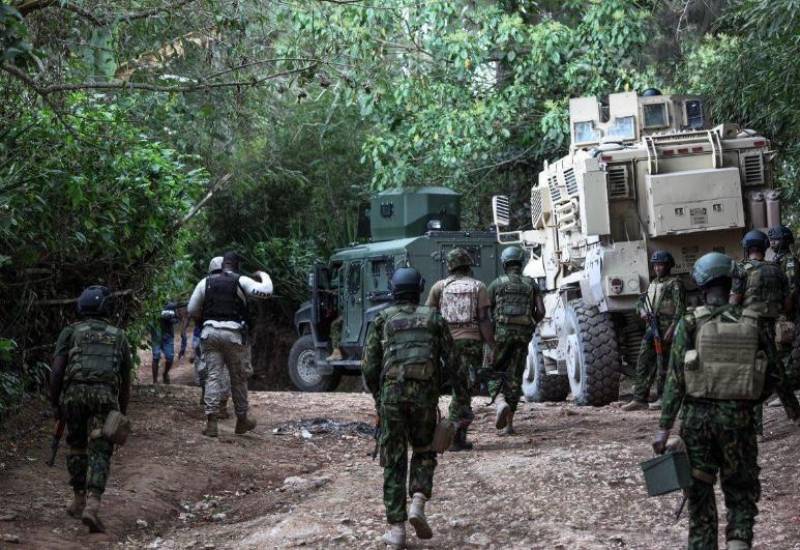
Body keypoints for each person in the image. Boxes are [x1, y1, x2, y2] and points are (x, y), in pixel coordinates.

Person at [653, 252, 800, 550]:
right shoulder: (753, 322)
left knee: (701, 499)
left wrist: (664, 429)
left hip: (698, 424)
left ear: (701, 284)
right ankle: (738, 544)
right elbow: (777, 373)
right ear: (733, 282)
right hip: (740, 422)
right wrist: (788, 409)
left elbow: (675, 381)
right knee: (741, 495)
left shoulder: (690, 323)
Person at [362, 267, 455, 548]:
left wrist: (380, 397)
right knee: (425, 451)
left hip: (392, 396)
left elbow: (369, 366)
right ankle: (417, 501)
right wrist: (452, 395)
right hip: (425, 396)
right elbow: (453, 362)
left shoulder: (382, 319)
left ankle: (397, 530)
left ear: (394, 290)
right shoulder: (434, 319)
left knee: (393, 461)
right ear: (419, 289)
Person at [49, 286, 133, 533]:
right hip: (105, 396)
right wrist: (121, 412)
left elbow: (57, 371)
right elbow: (125, 380)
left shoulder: (70, 332)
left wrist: (55, 403)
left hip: (74, 395)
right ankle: (93, 505)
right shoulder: (119, 335)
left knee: (76, 445)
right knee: (100, 447)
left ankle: (78, 498)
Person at [187, 251, 273, 437]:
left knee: (213, 376)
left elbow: (192, 308)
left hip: (209, 334)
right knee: (239, 377)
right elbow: (266, 291)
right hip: (233, 335)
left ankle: (211, 422)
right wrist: (262, 275)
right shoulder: (241, 280)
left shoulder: (205, 282)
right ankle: (242, 420)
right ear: (237, 265)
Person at [426, 248, 494, 451]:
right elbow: (483, 319)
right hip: (471, 343)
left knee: (459, 389)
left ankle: (455, 436)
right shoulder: (478, 286)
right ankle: (452, 435)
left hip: (446, 344)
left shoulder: (439, 286)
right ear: (468, 265)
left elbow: (429, 316)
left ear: (449, 266)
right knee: (463, 391)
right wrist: (491, 343)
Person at [730, 229, 795, 431]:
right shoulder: (776, 269)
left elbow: (734, 301)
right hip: (771, 327)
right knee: (778, 372)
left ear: (747, 248)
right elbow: (787, 303)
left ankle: (756, 429)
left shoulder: (741, 270)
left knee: (752, 373)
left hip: (749, 328)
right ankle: (796, 414)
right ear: (765, 247)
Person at [486, 246, 544, 434]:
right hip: (522, 335)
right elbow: (541, 311)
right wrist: (530, 323)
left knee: (493, 371)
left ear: (504, 263)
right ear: (522, 262)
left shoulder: (496, 284)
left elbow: (486, 312)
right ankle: (509, 425)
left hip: (501, 335)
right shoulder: (531, 284)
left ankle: (500, 401)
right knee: (515, 376)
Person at [623, 250, 686, 411]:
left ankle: (663, 397)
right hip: (651, 328)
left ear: (668, 266)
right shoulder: (653, 284)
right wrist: (642, 311)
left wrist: (672, 329)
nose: (658, 268)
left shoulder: (675, 283)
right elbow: (641, 302)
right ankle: (639, 398)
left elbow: (680, 309)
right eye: (656, 265)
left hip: (665, 330)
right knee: (643, 362)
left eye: (661, 264)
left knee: (663, 365)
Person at [150, 300, 187, 385]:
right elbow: (159, 317)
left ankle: (165, 374)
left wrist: (183, 348)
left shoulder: (176, 311)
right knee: (156, 356)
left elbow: (182, 331)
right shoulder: (167, 307)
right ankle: (155, 381)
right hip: (157, 333)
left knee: (170, 357)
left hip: (168, 335)